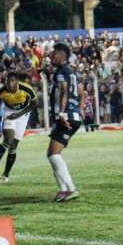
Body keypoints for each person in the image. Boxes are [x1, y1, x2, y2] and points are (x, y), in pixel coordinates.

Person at [0, 72, 37, 184]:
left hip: (23, 115)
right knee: (8, 140)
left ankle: (5, 175)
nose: (9, 84)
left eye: (12, 81)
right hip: (9, 113)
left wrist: (18, 115)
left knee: (13, 146)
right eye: (7, 81)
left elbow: (34, 104)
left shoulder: (26, 89)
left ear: (17, 81)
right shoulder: (2, 91)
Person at [48, 43, 83, 203]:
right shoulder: (72, 72)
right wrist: (79, 110)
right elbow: (82, 92)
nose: (51, 56)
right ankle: (64, 189)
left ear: (62, 55)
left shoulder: (61, 72)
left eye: (54, 54)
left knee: (54, 154)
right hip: (73, 115)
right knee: (53, 153)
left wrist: (62, 113)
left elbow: (63, 91)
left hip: (66, 116)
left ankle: (70, 188)